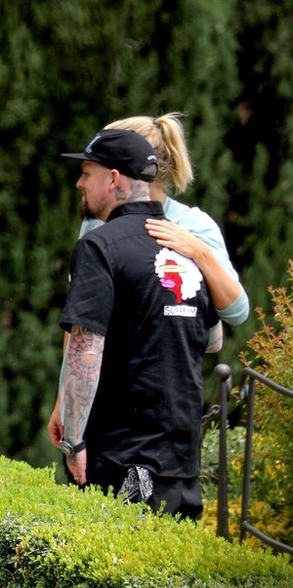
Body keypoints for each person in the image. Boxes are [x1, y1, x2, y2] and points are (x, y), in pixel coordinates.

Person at [47, 113, 247, 447]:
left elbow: (237, 311)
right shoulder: (97, 223)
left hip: (164, 411)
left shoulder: (194, 225)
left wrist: (198, 252)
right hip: (104, 409)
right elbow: (82, 321)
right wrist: (65, 403)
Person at [55, 129, 220, 520]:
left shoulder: (100, 246)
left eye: (87, 173)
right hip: (180, 461)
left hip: (120, 458)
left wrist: (74, 442)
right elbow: (213, 339)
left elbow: (85, 350)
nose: (79, 183)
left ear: (113, 179)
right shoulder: (184, 244)